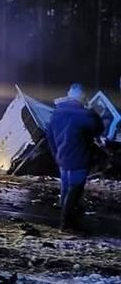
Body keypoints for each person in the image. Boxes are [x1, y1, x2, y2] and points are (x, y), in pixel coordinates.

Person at [46, 83, 104, 231]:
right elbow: (99, 128)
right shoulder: (84, 114)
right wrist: (92, 110)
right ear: (83, 98)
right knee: (74, 192)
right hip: (79, 160)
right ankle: (66, 225)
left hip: (62, 159)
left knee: (66, 191)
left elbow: (50, 136)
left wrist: (56, 155)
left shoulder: (57, 112)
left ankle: (69, 221)